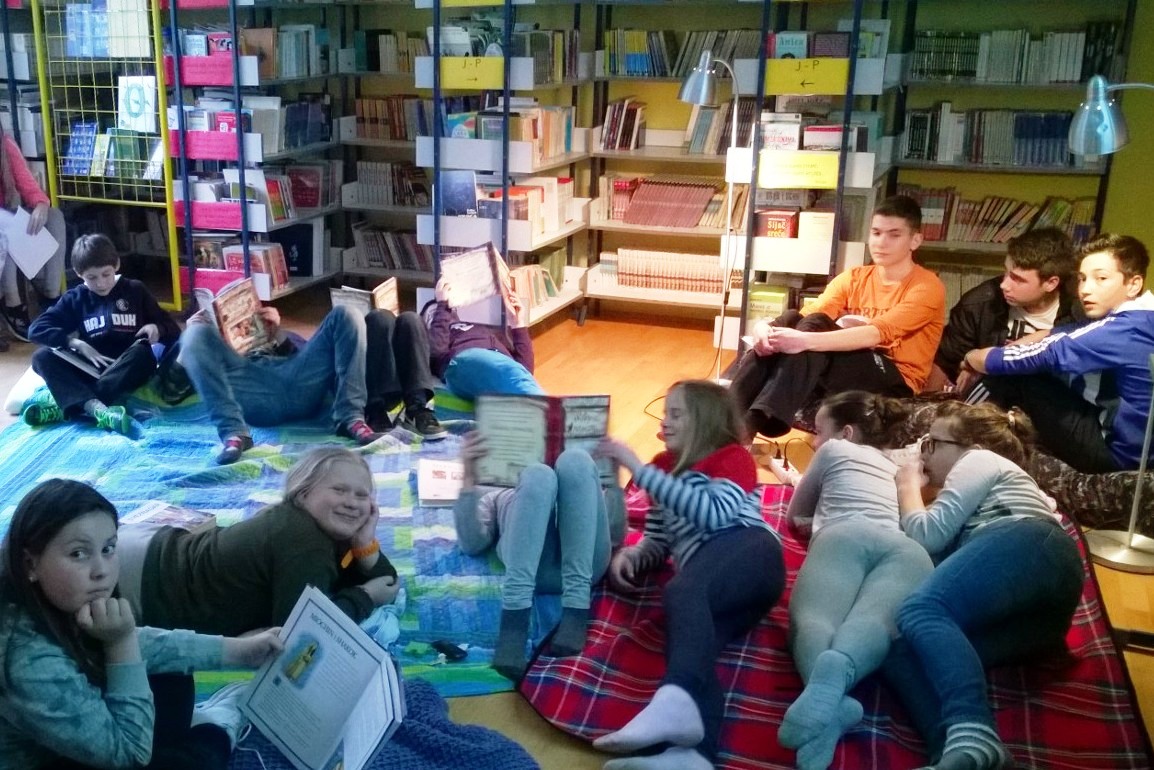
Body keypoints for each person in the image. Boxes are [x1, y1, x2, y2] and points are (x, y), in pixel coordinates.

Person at [0, 478, 283, 769]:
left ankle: (199, 726)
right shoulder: (26, 660)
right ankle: (219, 725)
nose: (101, 571)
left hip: (71, 731)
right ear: (30, 564)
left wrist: (241, 651)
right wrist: (119, 642)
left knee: (170, 674)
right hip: (43, 760)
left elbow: (144, 644)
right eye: (78, 554)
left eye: (108, 548)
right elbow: (131, 755)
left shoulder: (53, 599)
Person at [591, 379, 785, 770]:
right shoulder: (662, 469)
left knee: (681, 590)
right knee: (692, 647)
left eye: (676, 414)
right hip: (713, 582)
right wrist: (633, 555)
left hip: (751, 553)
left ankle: (672, 701)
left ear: (705, 421)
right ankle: (696, 756)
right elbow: (660, 538)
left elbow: (713, 515)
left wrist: (637, 468)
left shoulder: (731, 457)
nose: (665, 421)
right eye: (666, 413)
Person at [884, 400, 1084, 770]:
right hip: (1040, 615)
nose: (924, 454)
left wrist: (907, 486)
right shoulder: (974, 488)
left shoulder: (979, 459)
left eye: (932, 443)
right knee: (904, 653)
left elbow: (927, 535)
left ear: (969, 446)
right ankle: (957, 755)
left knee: (922, 609)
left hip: (1033, 544)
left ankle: (973, 727)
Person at [779, 391, 934, 770]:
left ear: (845, 433)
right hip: (907, 550)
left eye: (819, 432)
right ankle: (841, 675)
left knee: (813, 621)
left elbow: (795, 513)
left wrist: (809, 520)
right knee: (874, 624)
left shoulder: (835, 451)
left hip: (846, 534)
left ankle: (827, 691)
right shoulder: (901, 465)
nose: (815, 441)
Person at [115, 447, 402, 636]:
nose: (351, 502)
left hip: (148, 548)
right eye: (339, 490)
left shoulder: (317, 528)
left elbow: (387, 580)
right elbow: (303, 634)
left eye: (362, 495)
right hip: (138, 580)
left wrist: (365, 544)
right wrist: (365, 597)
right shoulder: (304, 540)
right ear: (303, 493)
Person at [729, 195, 946, 439]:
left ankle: (749, 424)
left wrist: (803, 341)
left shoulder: (928, 286)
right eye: (876, 233)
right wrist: (765, 328)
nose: (881, 243)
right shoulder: (855, 277)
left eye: (894, 235)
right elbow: (808, 314)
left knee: (813, 330)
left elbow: (878, 333)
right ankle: (727, 418)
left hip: (895, 379)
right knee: (796, 319)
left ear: (915, 240)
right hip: (849, 364)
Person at [963, 234, 1154, 473]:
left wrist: (971, 358)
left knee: (1016, 375)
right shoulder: (1143, 318)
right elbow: (1063, 333)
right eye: (1082, 279)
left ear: (1134, 284)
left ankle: (956, 429)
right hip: (1138, 448)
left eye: (1101, 279)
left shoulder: (1121, 331)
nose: (1085, 290)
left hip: (1116, 455)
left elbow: (1032, 357)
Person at [453, 434, 626, 681]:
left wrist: (614, 476)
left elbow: (615, 536)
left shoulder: (585, 478)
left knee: (576, 459)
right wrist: (468, 476)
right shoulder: (496, 489)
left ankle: (576, 608)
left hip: (586, 565)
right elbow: (472, 544)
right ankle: (514, 622)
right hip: (533, 570)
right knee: (538, 474)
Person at [178, 303, 382, 464]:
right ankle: (234, 432)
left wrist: (278, 334)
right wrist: (193, 336)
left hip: (295, 380)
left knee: (347, 313)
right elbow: (174, 388)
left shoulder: (285, 336)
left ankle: (350, 418)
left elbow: (309, 360)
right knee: (194, 335)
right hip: (248, 389)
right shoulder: (213, 350)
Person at [23, 234, 180, 435]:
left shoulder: (135, 290)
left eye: (106, 274)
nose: (101, 283)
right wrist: (75, 343)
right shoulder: (76, 298)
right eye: (92, 278)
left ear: (116, 265)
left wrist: (157, 329)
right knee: (41, 356)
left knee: (143, 353)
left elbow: (173, 329)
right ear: (79, 274)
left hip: (126, 366)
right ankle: (92, 407)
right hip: (91, 368)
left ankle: (75, 405)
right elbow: (36, 329)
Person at [936, 227, 1085, 394]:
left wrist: (982, 364)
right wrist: (967, 367)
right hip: (991, 401)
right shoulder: (978, 303)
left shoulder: (1080, 310)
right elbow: (946, 361)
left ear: (1051, 283)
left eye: (1017, 279)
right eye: (1006, 272)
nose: (1004, 285)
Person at [425, 274, 544, 401]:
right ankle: (547, 408)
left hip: (492, 369)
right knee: (518, 380)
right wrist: (442, 305)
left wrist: (517, 324)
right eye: (433, 315)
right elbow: (436, 350)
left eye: (445, 311)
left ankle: (539, 409)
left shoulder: (480, 329)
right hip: (464, 361)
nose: (440, 316)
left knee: (520, 381)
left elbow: (525, 369)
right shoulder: (435, 342)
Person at [0, 125, 66, 349]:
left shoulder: (6, 145)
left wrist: (40, 204)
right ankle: (12, 303)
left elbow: (29, 187)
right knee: (5, 227)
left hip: (7, 218)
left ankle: (51, 296)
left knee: (54, 217)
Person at [363, 308, 446, 438]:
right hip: (382, 371)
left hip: (412, 372)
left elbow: (438, 348)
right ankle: (376, 408)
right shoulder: (434, 308)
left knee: (412, 319)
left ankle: (416, 408)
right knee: (379, 318)